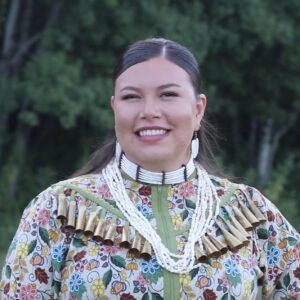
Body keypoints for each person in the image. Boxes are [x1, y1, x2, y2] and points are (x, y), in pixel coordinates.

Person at [0, 38, 299, 300]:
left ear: (198, 110)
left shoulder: (248, 213)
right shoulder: (59, 209)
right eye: (132, 97)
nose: (149, 111)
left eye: (168, 95)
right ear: (115, 108)